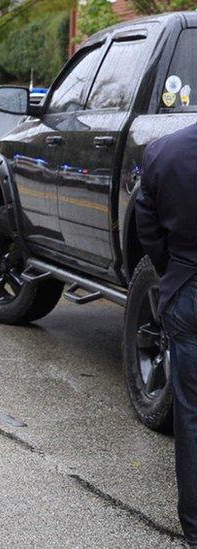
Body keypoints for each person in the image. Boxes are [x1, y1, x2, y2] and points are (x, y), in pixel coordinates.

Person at [136, 124, 197, 549]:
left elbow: (147, 221)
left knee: (191, 414)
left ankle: (194, 530)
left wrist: (171, 271)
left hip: (186, 289)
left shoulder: (164, 151)